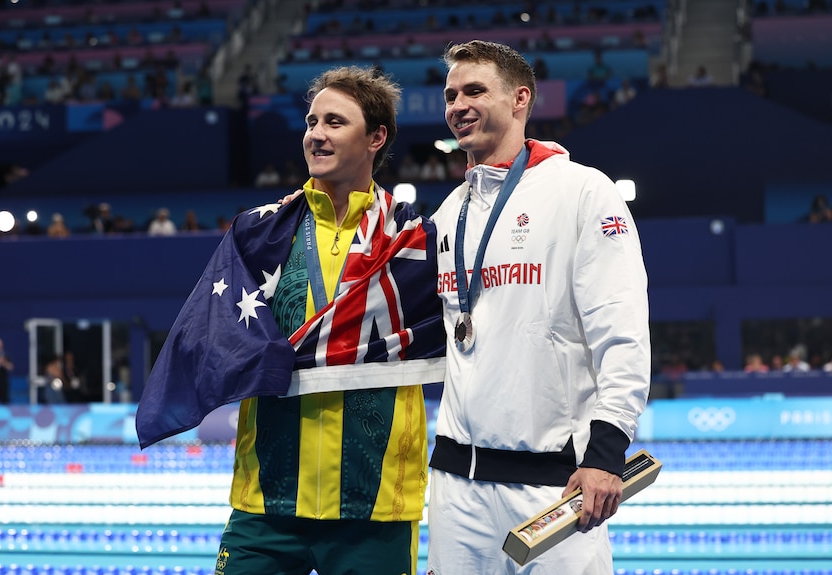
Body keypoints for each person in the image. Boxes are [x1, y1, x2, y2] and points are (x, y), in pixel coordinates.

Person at [135, 65, 445, 575]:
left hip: (376, 503)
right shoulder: (259, 234)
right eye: (311, 121)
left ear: (376, 137)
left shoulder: (415, 239)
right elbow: (215, 339)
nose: (316, 134)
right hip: (266, 503)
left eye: (335, 122)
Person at [426, 40, 651, 575]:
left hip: (556, 485)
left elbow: (621, 330)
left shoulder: (582, 191)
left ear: (520, 99)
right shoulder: (449, 211)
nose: (458, 104)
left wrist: (605, 454)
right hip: (458, 488)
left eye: (475, 90)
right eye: (451, 94)